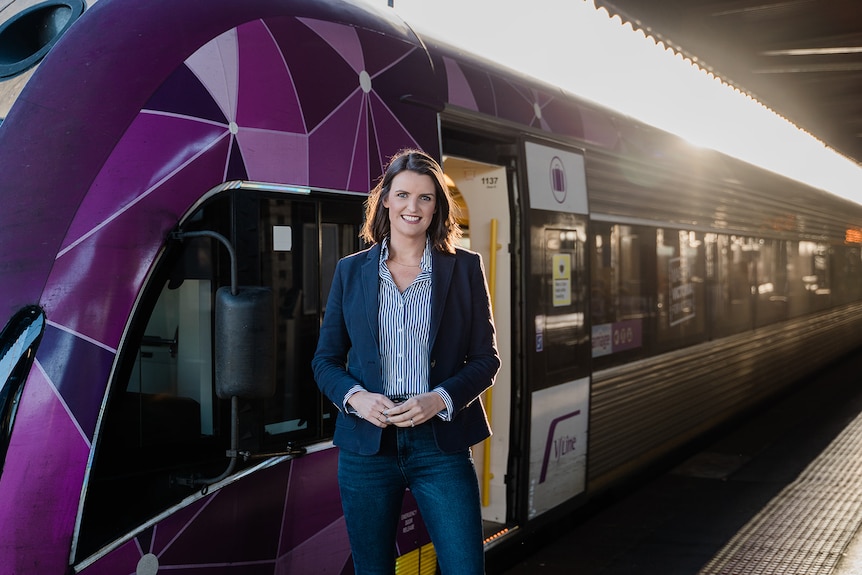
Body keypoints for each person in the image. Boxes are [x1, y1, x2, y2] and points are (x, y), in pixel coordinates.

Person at [312, 148, 500, 575]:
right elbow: (325, 361)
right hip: (366, 448)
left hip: (441, 446)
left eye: (425, 198)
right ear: (385, 201)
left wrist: (440, 398)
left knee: (465, 568)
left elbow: (486, 360)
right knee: (373, 569)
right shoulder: (350, 271)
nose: (411, 207)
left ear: (437, 207)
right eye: (402, 195)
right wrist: (357, 398)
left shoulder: (466, 268)